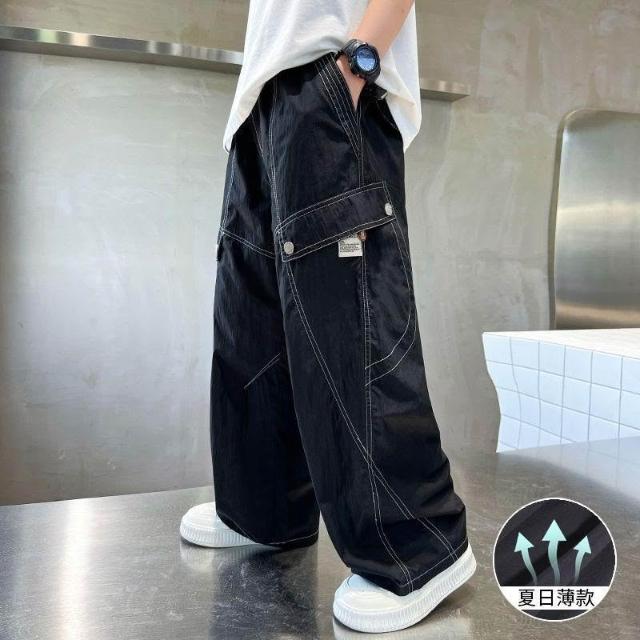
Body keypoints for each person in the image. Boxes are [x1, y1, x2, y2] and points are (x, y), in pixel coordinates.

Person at [180, 0, 476, 632]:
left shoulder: (340, 76)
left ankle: (419, 548)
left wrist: (355, 65)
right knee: (251, 327)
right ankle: (265, 512)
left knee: (350, 324)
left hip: (330, 81)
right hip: (262, 102)